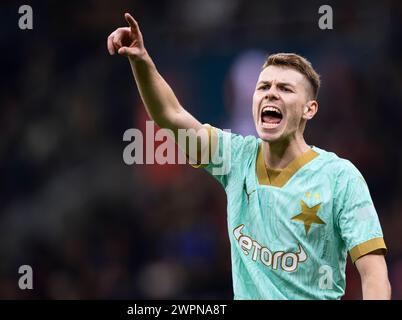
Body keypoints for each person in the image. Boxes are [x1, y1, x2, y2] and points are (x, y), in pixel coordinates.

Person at [107, 13, 391, 299]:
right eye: (263, 87)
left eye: (285, 88)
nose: (270, 94)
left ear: (309, 109)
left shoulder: (340, 177)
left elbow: (374, 273)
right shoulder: (235, 157)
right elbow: (171, 115)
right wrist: (141, 61)